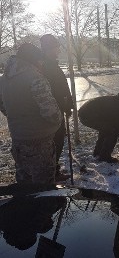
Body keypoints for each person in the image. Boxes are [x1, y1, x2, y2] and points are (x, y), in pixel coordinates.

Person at [0, 43, 62, 184]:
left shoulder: (4, 79)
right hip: (39, 142)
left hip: (18, 140)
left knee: (24, 185)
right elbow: (51, 114)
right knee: (44, 187)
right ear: (34, 60)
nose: (41, 65)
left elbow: (4, 106)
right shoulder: (35, 79)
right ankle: (45, 206)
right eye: (40, 61)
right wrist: (58, 122)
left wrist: (18, 118)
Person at [40, 34, 74, 181]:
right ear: (49, 48)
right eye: (56, 47)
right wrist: (65, 105)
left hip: (58, 108)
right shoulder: (46, 66)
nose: (58, 50)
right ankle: (52, 172)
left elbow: (62, 86)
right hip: (54, 111)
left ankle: (53, 170)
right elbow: (56, 89)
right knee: (56, 141)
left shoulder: (50, 63)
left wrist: (69, 104)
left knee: (57, 141)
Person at [78, 93, 119, 163]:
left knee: (106, 129)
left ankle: (98, 151)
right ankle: (104, 156)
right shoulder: (117, 108)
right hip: (88, 116)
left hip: (87, 112)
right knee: (112, 132)